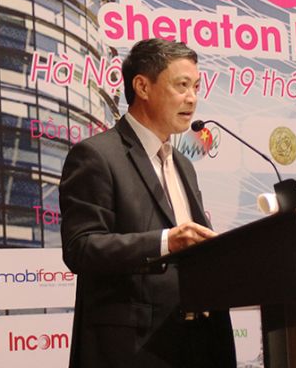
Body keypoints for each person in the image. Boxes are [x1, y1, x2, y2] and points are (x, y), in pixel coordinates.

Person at [59, 38, 237, 368]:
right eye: (181, 85)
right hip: (136, 347)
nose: (192, 98)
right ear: (142, 86)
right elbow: (81, 248)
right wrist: (166, 242)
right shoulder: (97, 156)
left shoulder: (183, 165)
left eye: (196, 87)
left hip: (199, 342)